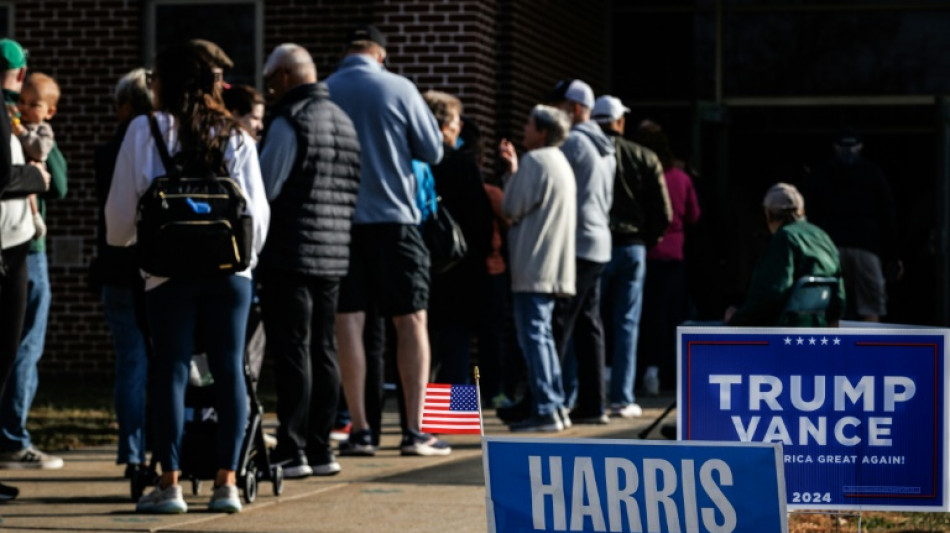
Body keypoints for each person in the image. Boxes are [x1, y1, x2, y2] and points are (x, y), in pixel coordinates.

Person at [105, 42, 270, 514]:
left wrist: (136, 243)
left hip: (166, 271)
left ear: (166, 81)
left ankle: (170, 483)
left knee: (171, 368)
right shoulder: (236, 134)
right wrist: (245, 259)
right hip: (231, 270)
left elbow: (118, 221)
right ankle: (227, 484)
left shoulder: (143, 129)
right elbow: (257, 214)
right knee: (229, 368)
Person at [325, 25, 449, 456]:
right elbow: (433, 151)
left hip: (341, 224)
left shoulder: (326, 90)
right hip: (395, 219)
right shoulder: (400, 88)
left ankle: (359, 429)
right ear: (381, 54)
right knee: (411, 320)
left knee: (349, 322)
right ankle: (415, 430)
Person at [257, 43, 360, 478]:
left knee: (293, 351)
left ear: (284, 76)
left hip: (291, 253)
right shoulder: (344, 121)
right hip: (334, 253)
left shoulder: (290, 121)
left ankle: (292, 447)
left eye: (271, 80)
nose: (269, 89)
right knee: (324, 349)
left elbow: (266, 188)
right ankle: (321, 448)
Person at [0, 71, 67, 470]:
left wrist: (41, 146)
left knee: (24, 345)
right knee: (21, 345)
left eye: (34, 104)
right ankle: (12, 437)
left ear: (51, 110)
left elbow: (57, 185)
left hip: (30, 245)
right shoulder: (12, 126)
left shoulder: (40, 135)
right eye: (21, 101)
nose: (25, 109)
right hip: (19, 247)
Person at [590, 97, 671, 413]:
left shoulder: (587, 154)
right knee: (627, 323)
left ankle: (592, 394)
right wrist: (647, 239)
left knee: (591, 321)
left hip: (597, 245)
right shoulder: (644, 156)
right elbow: (663, 210)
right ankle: (622, 396)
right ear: (620, 122)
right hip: (633, 245)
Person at [498, 104, 576, 432]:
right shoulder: (560, 162)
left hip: (533, 265)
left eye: (529, 125)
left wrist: (510, 174)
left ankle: (545, 408)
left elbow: (511, 207)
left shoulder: (536, 161)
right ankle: (554, 405)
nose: (524, 130)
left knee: (534, 337)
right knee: (542, 337)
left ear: (542, 131)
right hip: (554, 265)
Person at [92, 68, 152, 477]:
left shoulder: (110, 153)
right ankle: (166, 445)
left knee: (131, 361)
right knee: (170, 360)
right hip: (159, 268)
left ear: (127, 107)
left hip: (118, 266)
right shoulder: (170, 146)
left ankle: (132, 452)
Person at [546, 80, 616, 425]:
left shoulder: (573, 141)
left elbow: (555, 188)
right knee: (589, 324)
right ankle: (593, 403)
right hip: (600, 242)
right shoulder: (606, 145)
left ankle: (546, 401)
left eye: (558, 105)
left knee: (560, 322)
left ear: (573, 108)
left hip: (577, 242)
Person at [0, 37, 51, 502]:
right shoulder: (1, 111)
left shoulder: (9, 114)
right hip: (9, 250)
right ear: (16, 75)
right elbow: (2, 176)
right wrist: (38, 177)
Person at [422, 90, 492, 385]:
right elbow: (481, 219)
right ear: (443, 125)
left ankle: (418, 415)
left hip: (421, 263)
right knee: (457, 343)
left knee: (423, 343)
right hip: (460, 267)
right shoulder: (462, 165)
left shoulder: (415, 161)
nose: (460, 127)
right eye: (455, 121)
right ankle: (455, 416)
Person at [804, 128, 901, 322]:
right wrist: (894, 255)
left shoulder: (824, 172)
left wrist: (893, 255)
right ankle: (851, 348)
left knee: (834, 304)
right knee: (857, 304)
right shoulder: (870, 172)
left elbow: (809, 212)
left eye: (852, 146)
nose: (849, 151)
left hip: (834, 248)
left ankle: (861, 349)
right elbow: (888, 214)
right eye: (845, 146)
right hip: (848, 247)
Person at [632, 120, 699, 396]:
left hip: (646, 252)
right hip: (673, 253)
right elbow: (695, 215)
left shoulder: (637, 176)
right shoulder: (681, 179)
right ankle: (664, 372)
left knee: (643, 315)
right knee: (671, 316)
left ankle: (642, 370)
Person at [725, 183, 844, 327]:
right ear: (801, 210)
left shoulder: (784, 238)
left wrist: (737, 318)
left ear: (768, 214)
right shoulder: (822, 236)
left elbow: (771, 295)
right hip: (818, 328)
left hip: (785, 331)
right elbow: (839, 293)